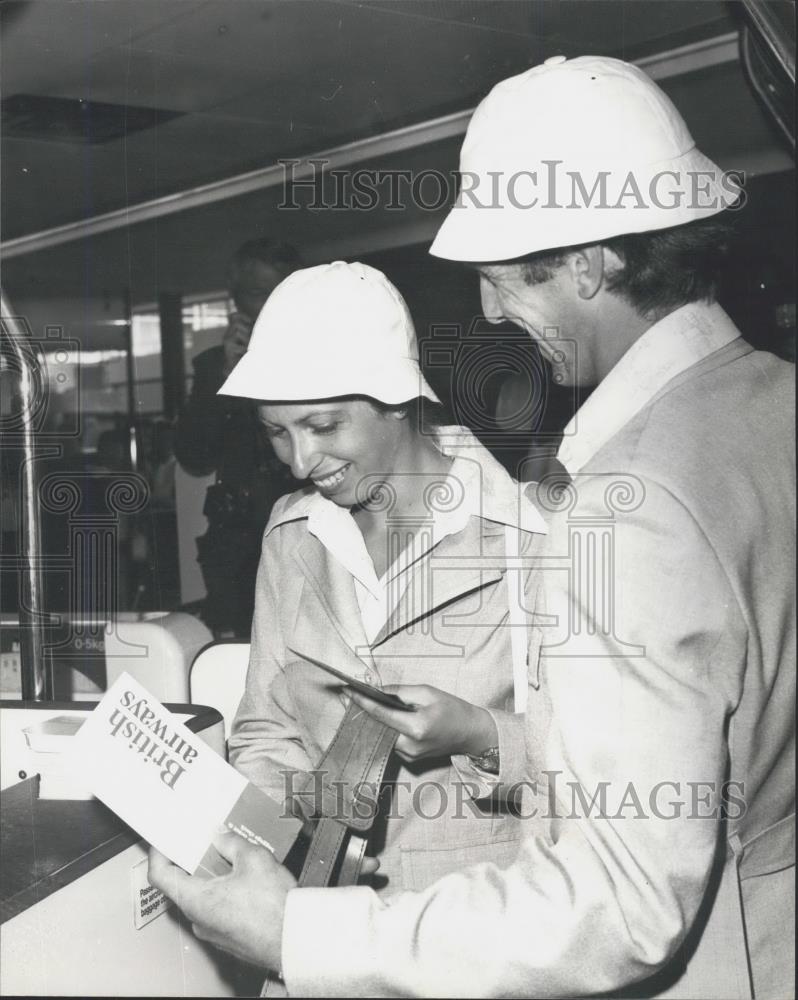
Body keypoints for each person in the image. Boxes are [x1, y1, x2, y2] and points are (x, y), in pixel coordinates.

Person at [151, 55, 795, 999]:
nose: (492, 312)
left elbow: (620, 901)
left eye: (503, 280)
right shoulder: (770, 404)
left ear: (594, 260)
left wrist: (302, 931)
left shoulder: (625, 500)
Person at [222, 260, 547, 990]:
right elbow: (267, 731)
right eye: (276, 432)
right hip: (324, 933)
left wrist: (479, 734)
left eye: (323, 425)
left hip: (476, 944)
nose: (302, 461)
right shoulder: (292, 534)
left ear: (399, 401)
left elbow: (596, 768)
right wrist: (257, 837)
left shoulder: (529, 535)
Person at [174, 239, 303, 636]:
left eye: (279, 290)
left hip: (302, 527)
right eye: (256, 293)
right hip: (237, 539)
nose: (268, 304)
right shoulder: (214, 366)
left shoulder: (316, 356)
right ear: (235, 302)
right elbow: (194, 456)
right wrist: (227, 378)